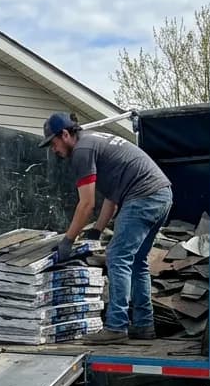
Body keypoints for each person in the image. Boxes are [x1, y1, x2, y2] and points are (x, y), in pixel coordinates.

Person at [41, 112, 173, 344]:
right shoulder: (95, 142)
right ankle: (144, 325)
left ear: (65, 134)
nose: (54, 150)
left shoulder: (82, 151)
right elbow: (111, 198)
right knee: (137, 260)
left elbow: (87, 204)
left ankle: (116, 327)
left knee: (117, 256)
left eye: (54, 143)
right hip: (162, 194)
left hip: (143, 196)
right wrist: (97, 231)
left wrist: (68, 241)